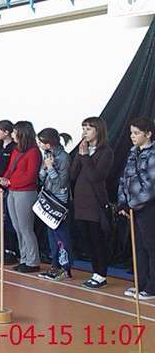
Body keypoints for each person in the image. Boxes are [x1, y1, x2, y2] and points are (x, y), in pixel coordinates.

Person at [71, 117, 114, 289]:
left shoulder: (106, 152)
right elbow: (73, 174)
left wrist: (86, 157)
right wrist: (80, 155)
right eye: (83, 128)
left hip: (95, 203)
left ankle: (101, 274)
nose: (85, 132)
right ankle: (95, 272)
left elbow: (95, 177)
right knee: (88, 240)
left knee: (97, 240)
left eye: (88, 129)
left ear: (98, 130)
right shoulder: (83, 149)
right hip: (81, 202)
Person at [118, 117, 155, 300]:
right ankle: (141, 283)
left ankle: (152, 287)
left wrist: (133, 203)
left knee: (151, 246)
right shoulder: (133, 152)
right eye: (131, 133)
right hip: (133, 206)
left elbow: (151, 186)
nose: (132, 136)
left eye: (137, 133)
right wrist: (123, 201)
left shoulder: (153, 155)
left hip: (148, 207)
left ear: (148, 134)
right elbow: (124, 178)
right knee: (138, 246)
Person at [0, 121, 42, 273]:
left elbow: (31, 176)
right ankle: (24, 258)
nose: (12, 134)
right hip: (13, 191)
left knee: (26, 228)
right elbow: (11, 168)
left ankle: (33, 260)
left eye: (15, 132)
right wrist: (4, 179)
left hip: (26, 192)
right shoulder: (17, 150)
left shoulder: (34, 152)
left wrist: (11, 181)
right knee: (17, 227)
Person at [37, 128, 73, 282]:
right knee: (51, 234)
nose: (40, 145)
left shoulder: (64, 157)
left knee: (61, 235)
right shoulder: (47, 155)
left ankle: (66, 268)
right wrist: (45, 168)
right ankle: (54, 265)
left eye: (41, 142)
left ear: (49, 143)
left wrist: (51, 168)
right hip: (48, 198)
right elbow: (41, 177)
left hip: (59, 201)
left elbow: (61, 183)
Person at [0, 120, 19, 265]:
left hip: (9, 188)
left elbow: (13, 169)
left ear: (6, 132)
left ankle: (11, 250)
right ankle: (0, 248)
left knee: (9, 220)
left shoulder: (15, 148)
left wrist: (6, 184)